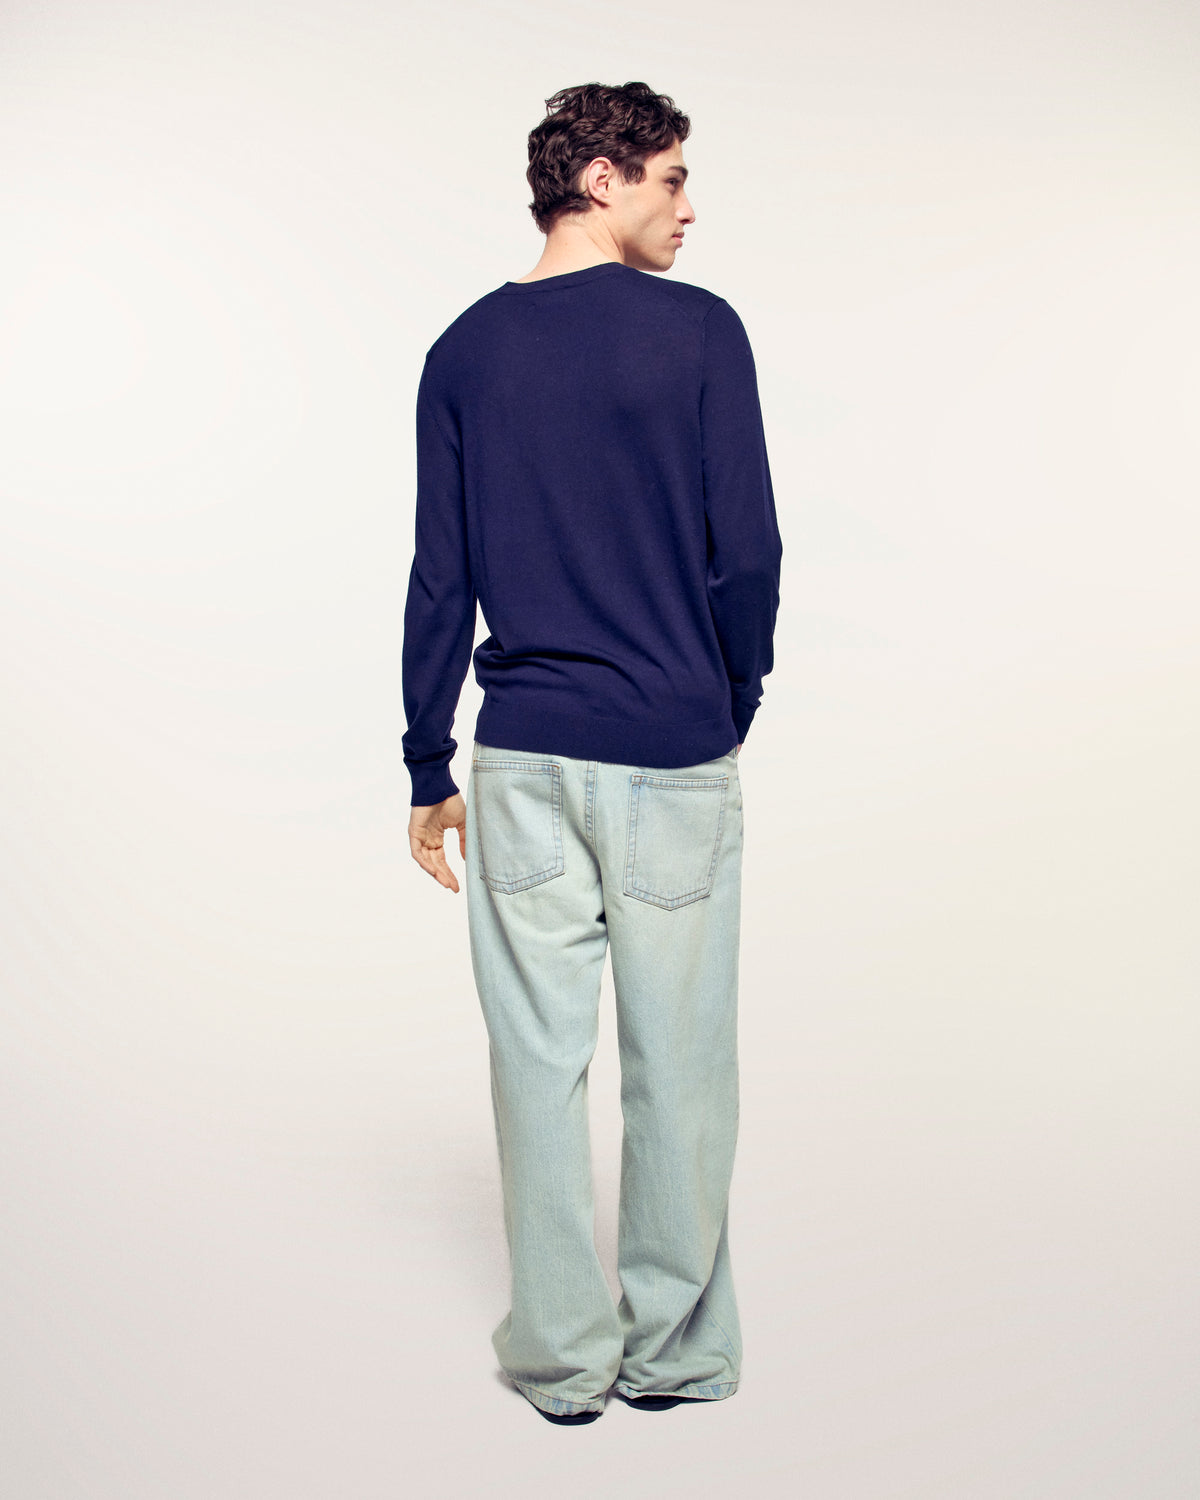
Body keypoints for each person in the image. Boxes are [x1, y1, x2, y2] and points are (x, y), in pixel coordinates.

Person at [401, 80, 783, 1425]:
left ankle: (563, 1358)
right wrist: (733, 694)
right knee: (681, 1064)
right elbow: (749, 550)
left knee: (535, 1061)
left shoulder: (462, 351)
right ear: (603, 178)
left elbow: (439, 579)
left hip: (522, 761)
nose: (690, 207)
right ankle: (671, 1353)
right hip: (674, 750)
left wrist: (427, 763)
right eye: (672, 178)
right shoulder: (699, 332)